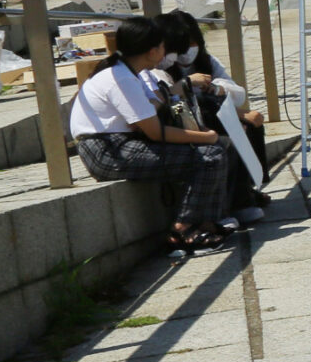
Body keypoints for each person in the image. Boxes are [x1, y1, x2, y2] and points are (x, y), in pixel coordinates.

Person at [68, 14, 236, 254]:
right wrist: (206, 137)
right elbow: (156, 133)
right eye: (163, 47)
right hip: (109, 151)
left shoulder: (125, 73)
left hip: (117, 145)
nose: (167, 52)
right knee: (211, 154)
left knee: (214, 150)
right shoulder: (121, 79)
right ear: (152, 50)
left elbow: (147, 119)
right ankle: (184, 229)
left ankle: (205, 223)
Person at [153, 10, 269, 224]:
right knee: (227, 137)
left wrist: (217, 89)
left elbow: (236, 92)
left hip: (210, 113)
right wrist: (187, 85)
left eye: (192, 42)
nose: (188, 51)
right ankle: (237, 202)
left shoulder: (207, 61)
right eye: (182, 45)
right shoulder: (160, 69)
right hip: (184, 121)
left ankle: (249, 189)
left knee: (252, 123)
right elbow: (172, 107)